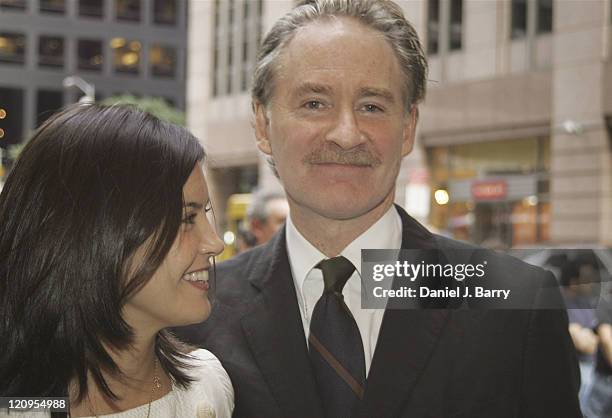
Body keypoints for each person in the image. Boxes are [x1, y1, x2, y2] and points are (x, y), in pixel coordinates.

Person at [176, 0, 581, 417]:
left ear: (408, 128)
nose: (347, 134)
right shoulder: (192, 313)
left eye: (372, 106)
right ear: (262, 124)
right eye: (315, 103)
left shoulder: (518, 305)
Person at [0, 104, 233, 417]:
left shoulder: (208, 385)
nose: (214, 243)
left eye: (204, 212)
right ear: (94, 233)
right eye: (186, 218)